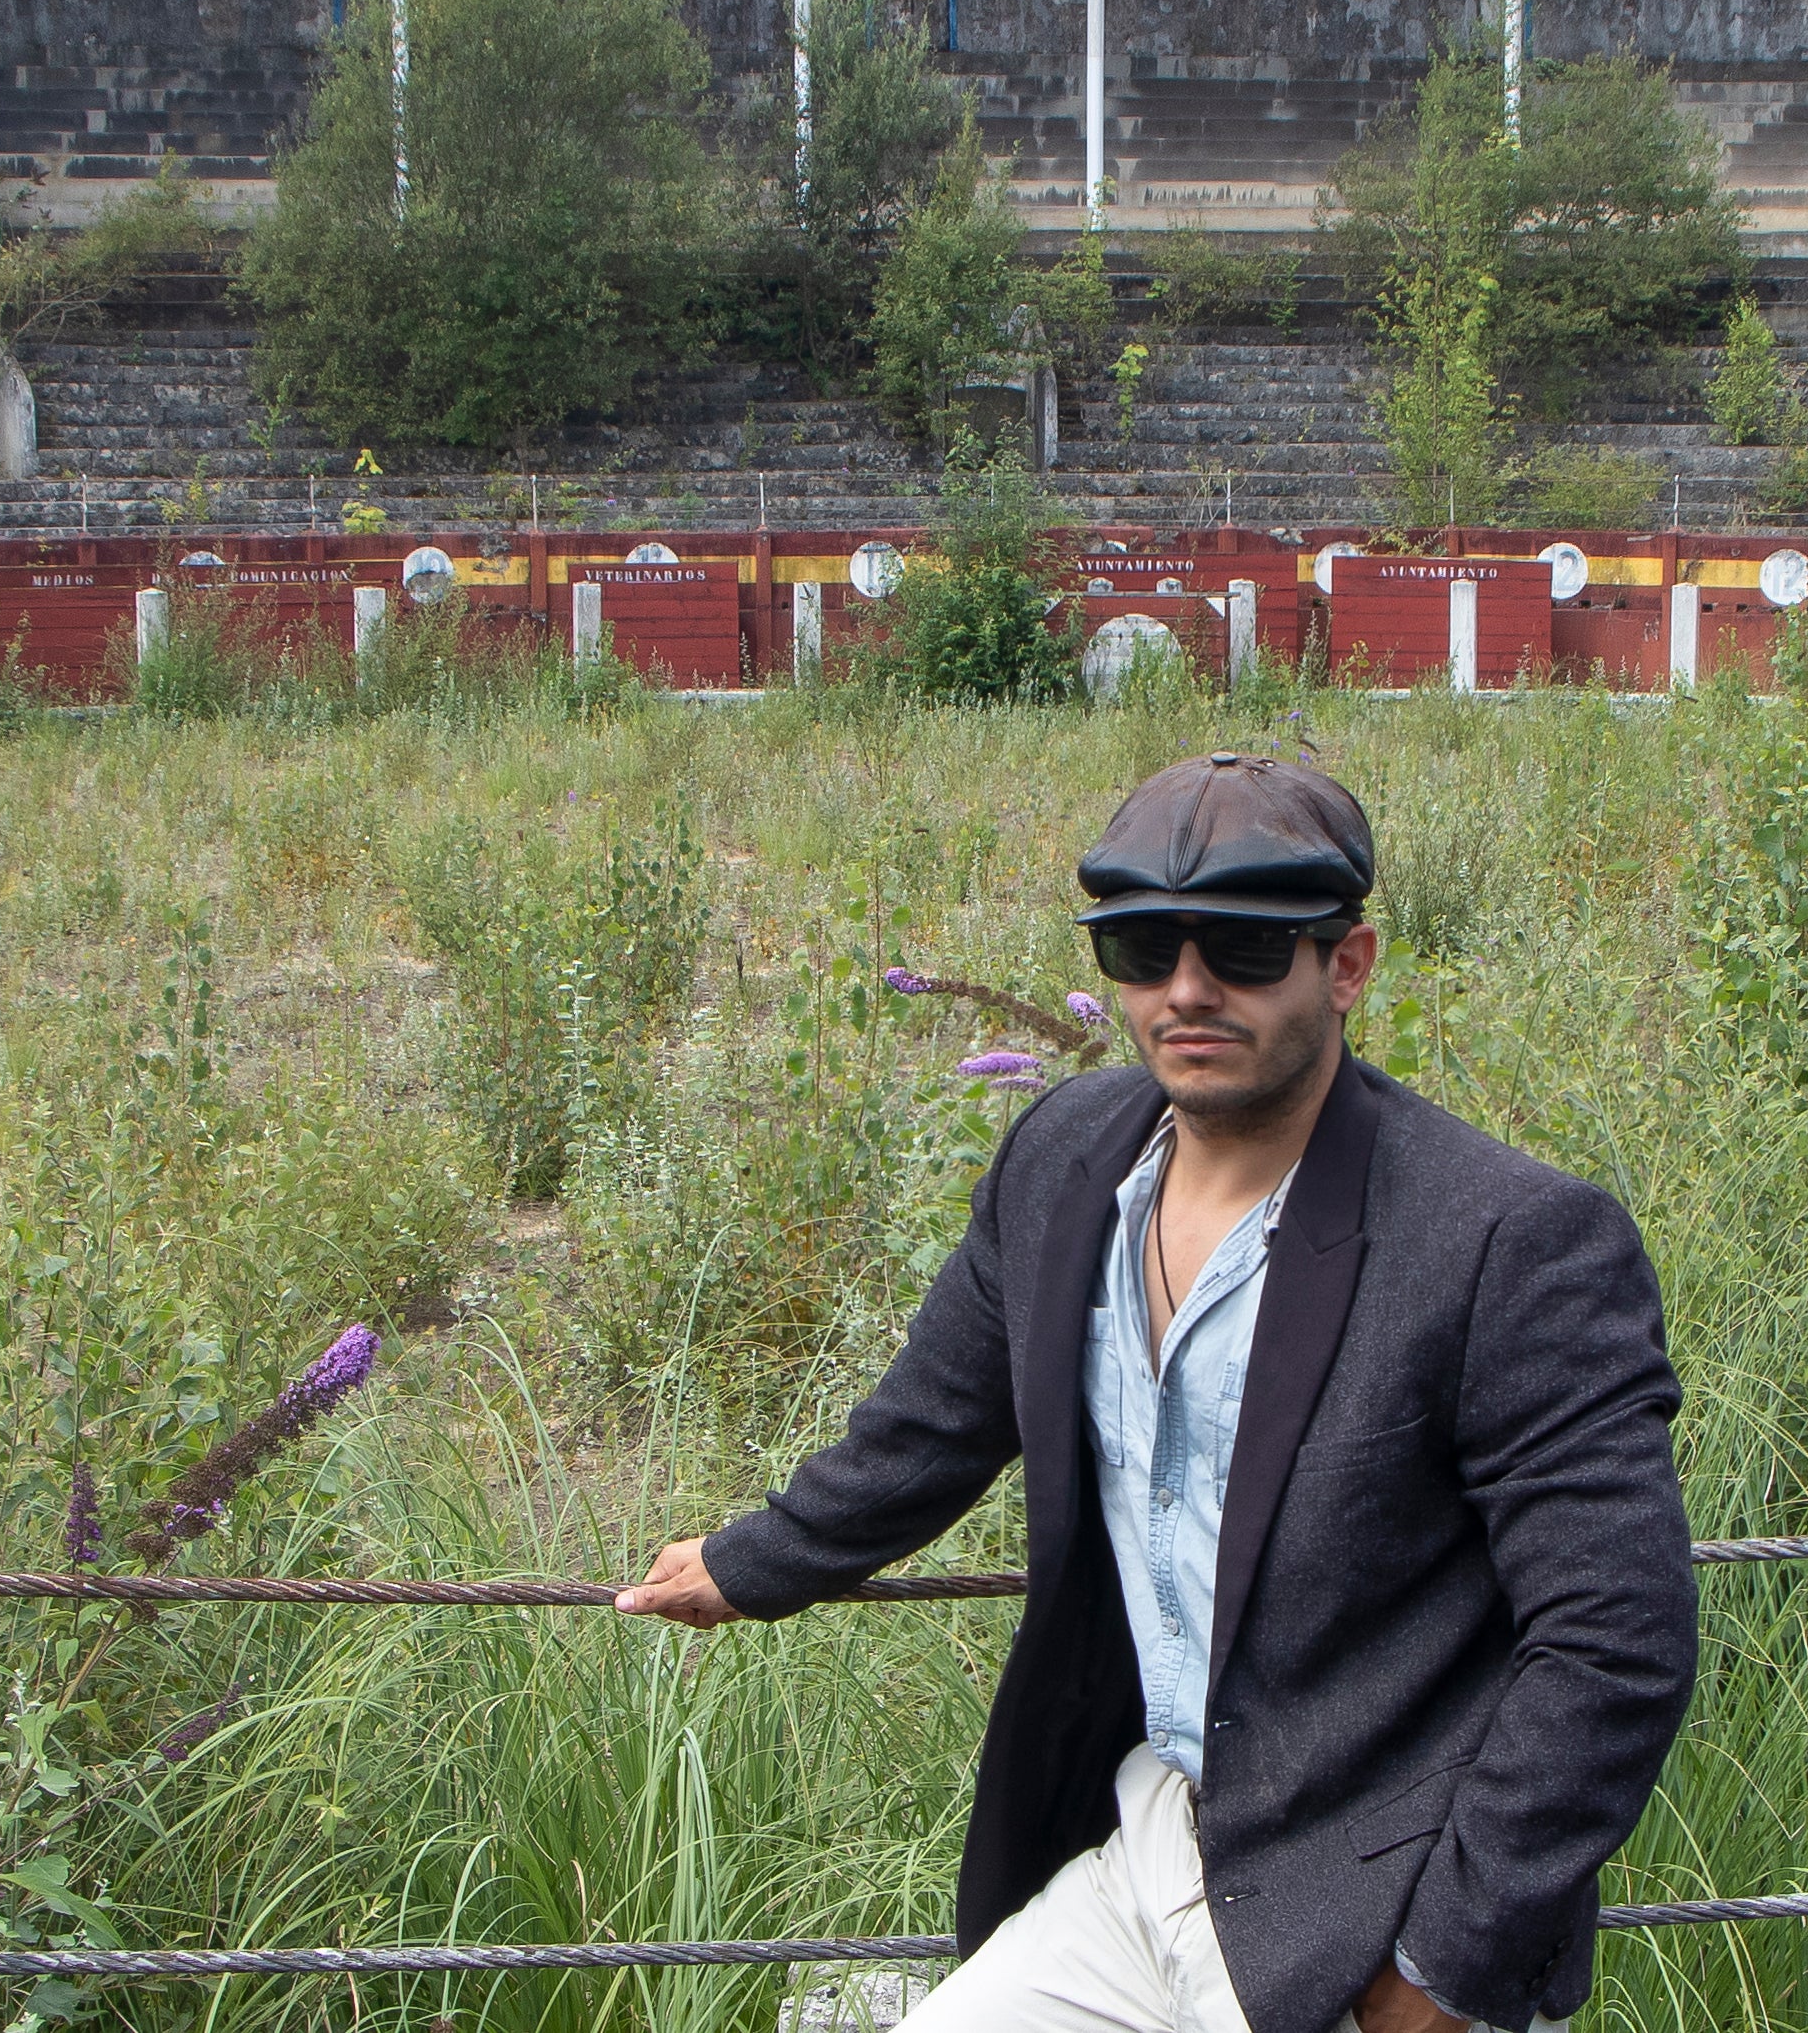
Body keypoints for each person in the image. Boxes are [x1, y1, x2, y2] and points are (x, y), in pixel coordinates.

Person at [618, 751, 1696, 2033]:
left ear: (1345, 965)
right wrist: (753, 1562)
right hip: (1153, 1849)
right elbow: (934, 1421)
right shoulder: (1064, 1159)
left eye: (1243, 949)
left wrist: (1441, 1972)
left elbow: (1614, 1643)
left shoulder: (1505, 1242)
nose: (1185, 989)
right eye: (1140, 949)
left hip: (1365, 1913)